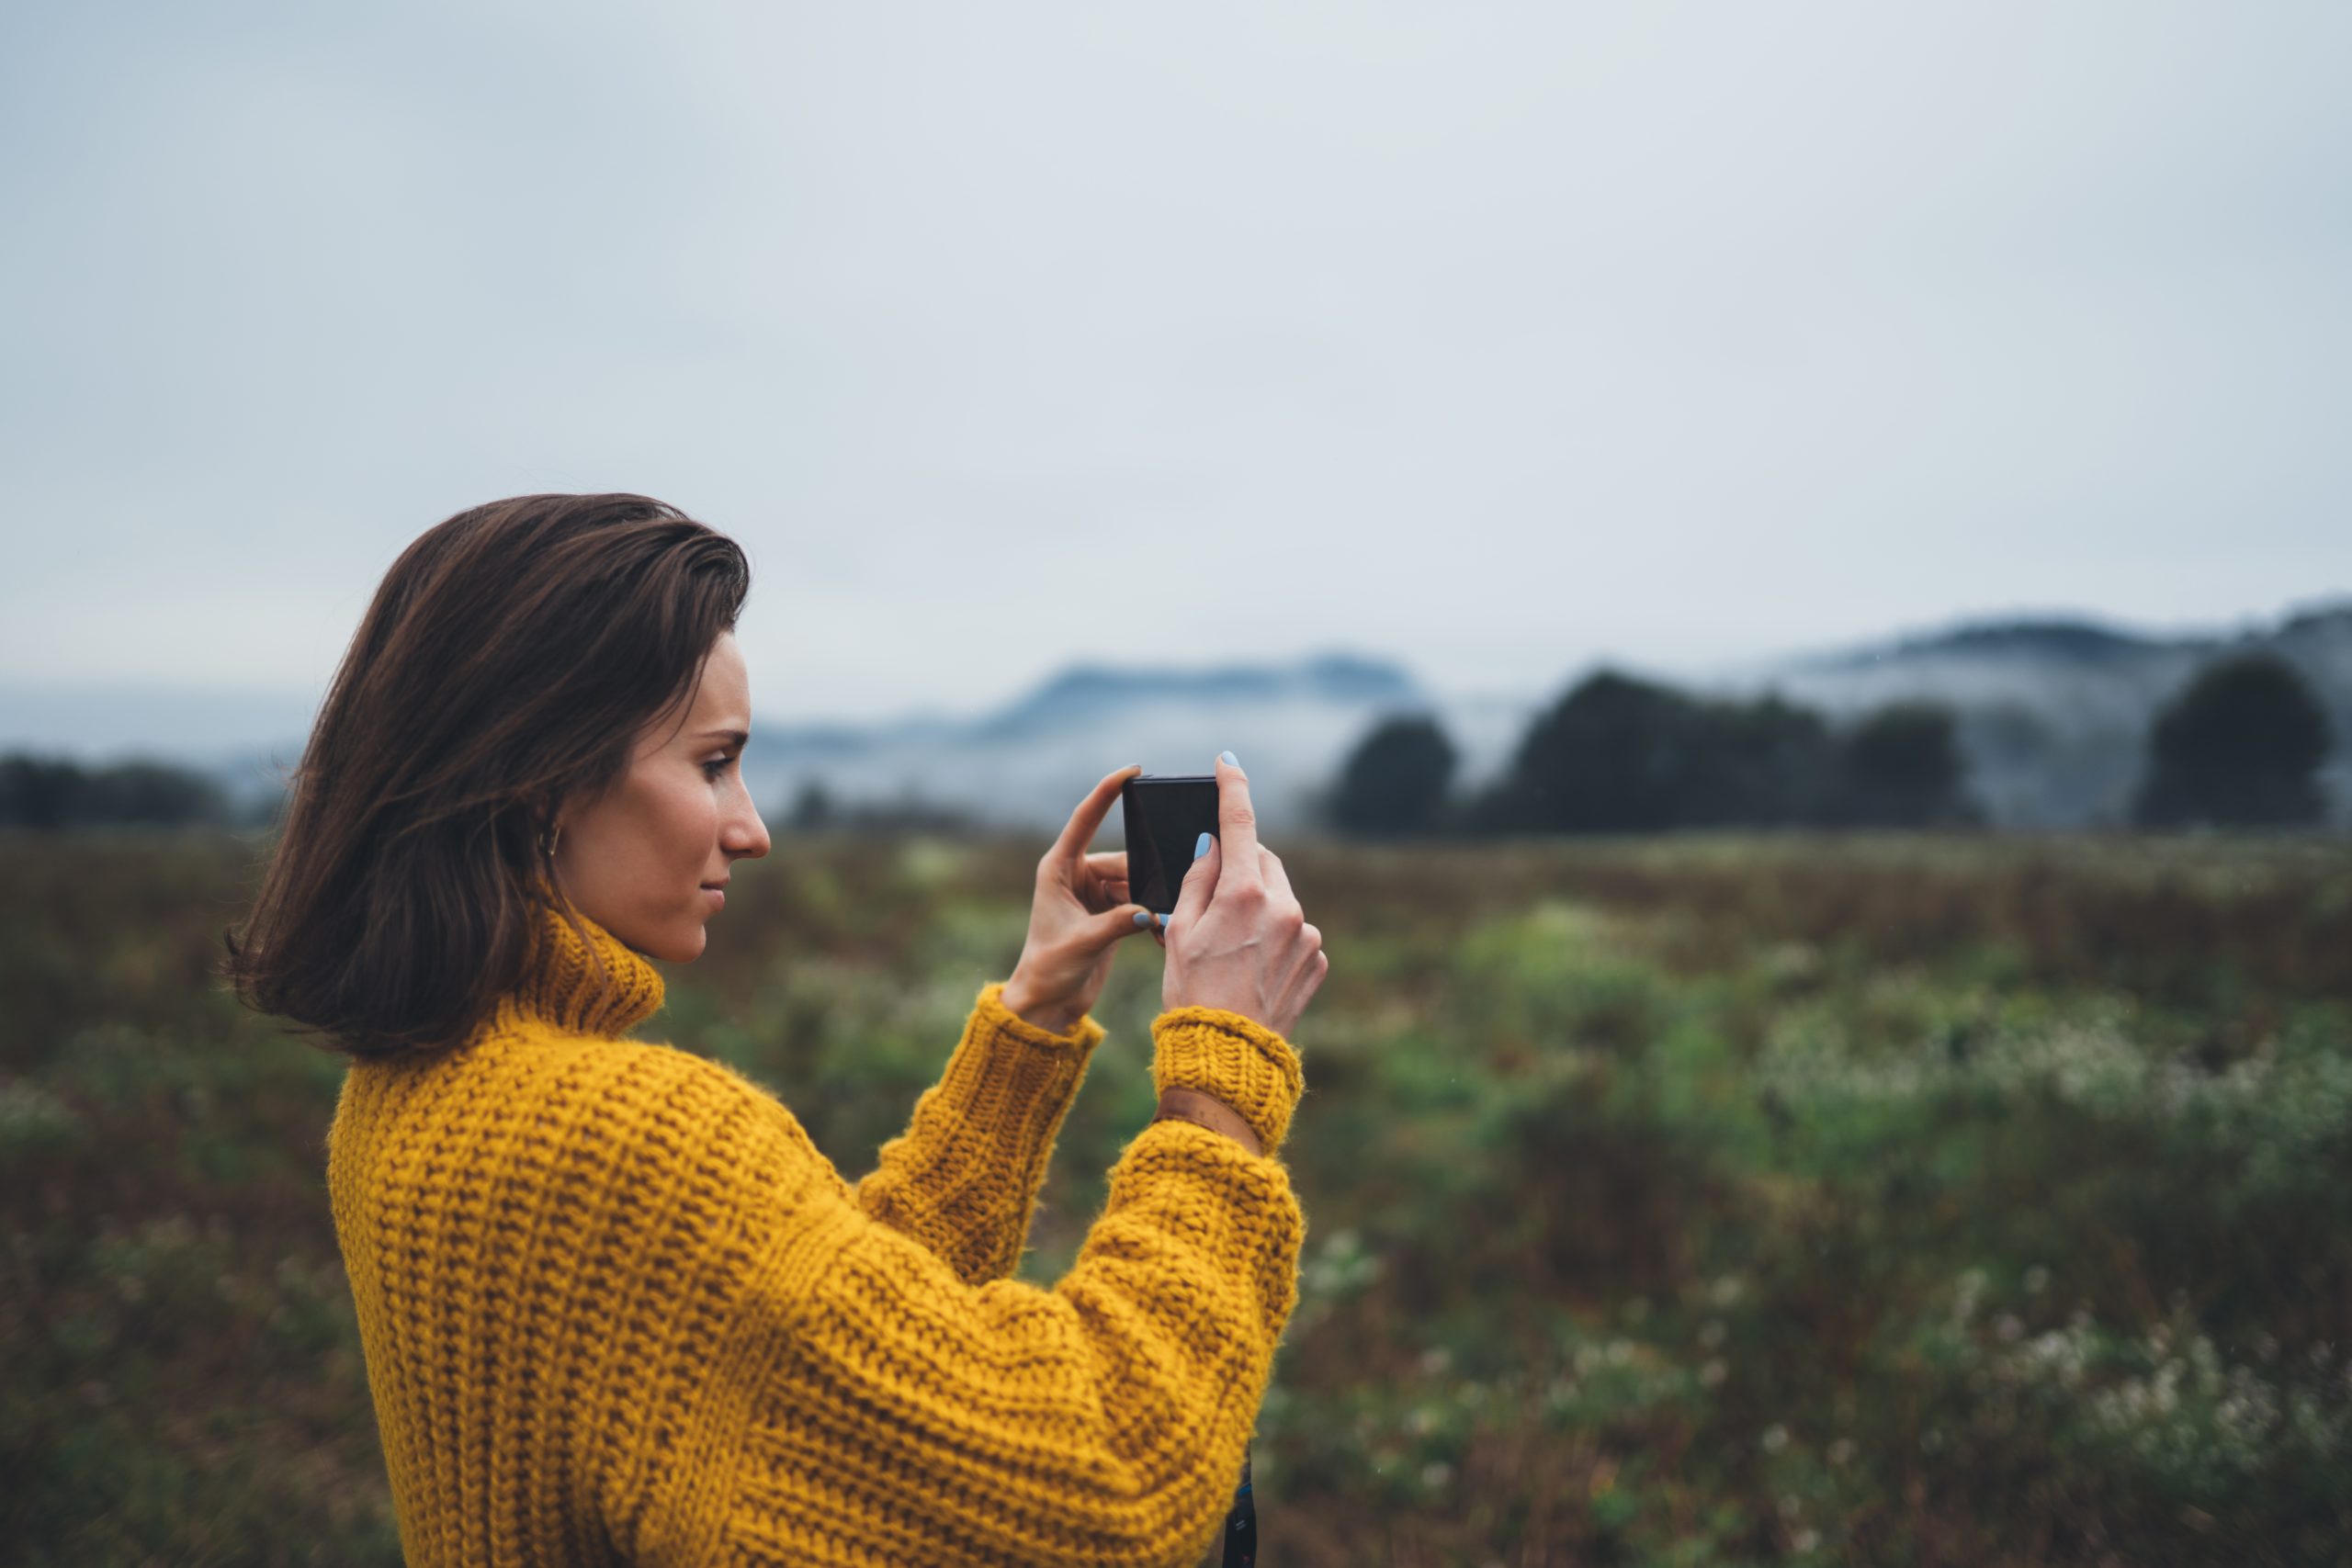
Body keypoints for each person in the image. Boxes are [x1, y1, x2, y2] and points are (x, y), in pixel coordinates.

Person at [222, 493, 1327, 1567]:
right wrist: (1222, 1074)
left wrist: (1032, 1019)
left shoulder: (412, 1093)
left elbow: (829, 1343)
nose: (750, 829)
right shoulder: (619, 1143)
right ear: (538, 782)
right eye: (712, 763)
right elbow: (1107, 1489)